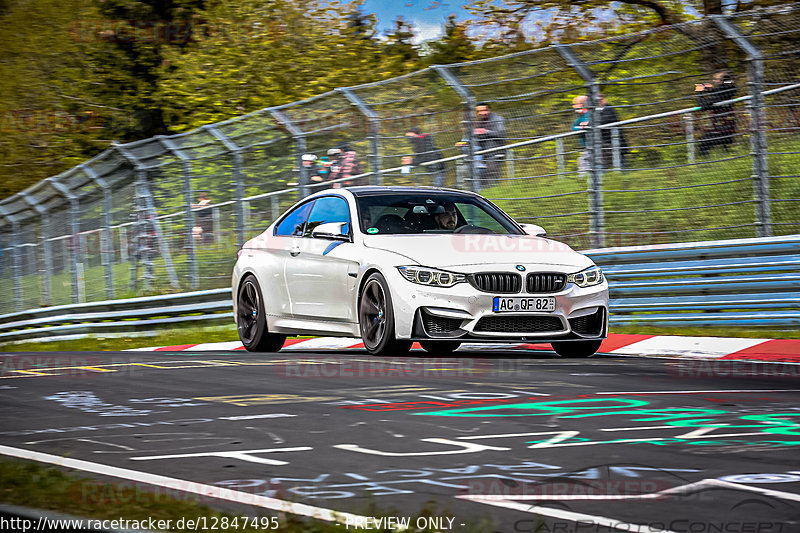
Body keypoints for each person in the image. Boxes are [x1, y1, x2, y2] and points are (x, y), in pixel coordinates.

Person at [695, 70, 737, 157]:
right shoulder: (729, 92)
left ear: (722, 81)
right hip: (728, 128)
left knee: (704, 141)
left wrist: (700, 93)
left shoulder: (720, 96)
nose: (714, 81)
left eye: (716, 79)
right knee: (705, 138)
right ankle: (726, 154)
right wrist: (710, 89)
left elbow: (703, 106)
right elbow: (726, 87)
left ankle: (705, 162)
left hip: (722, 130)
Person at [473, 102, 507, 188]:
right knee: (483, 178)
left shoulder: (497, 119)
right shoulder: (480, 122)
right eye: (479, 111)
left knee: (492, 176)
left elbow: (501, 134)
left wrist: (485, 131)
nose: (482, 113)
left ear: (489, 110)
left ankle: (495, 195)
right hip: (484, 154)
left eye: (484, 110)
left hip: (495, 152)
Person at [597, 94, 629, 169]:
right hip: (606, 144)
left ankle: (624, 177)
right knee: (605, 164)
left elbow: (605, 120)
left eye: (599, 100)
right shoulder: (597, 111)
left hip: (615, 142)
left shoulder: (608, 109)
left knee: (620, 164)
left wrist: (589, 123)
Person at [571, 95, 591, 174]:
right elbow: (572, 127)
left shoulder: (590, 113)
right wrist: (581, 128)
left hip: (593, 144)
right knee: (583, 162)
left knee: (585, 162)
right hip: (585, 146)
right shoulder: (579, 116)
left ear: (582, 105)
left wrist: (586, 126)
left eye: (575, 104)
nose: (574, 106)